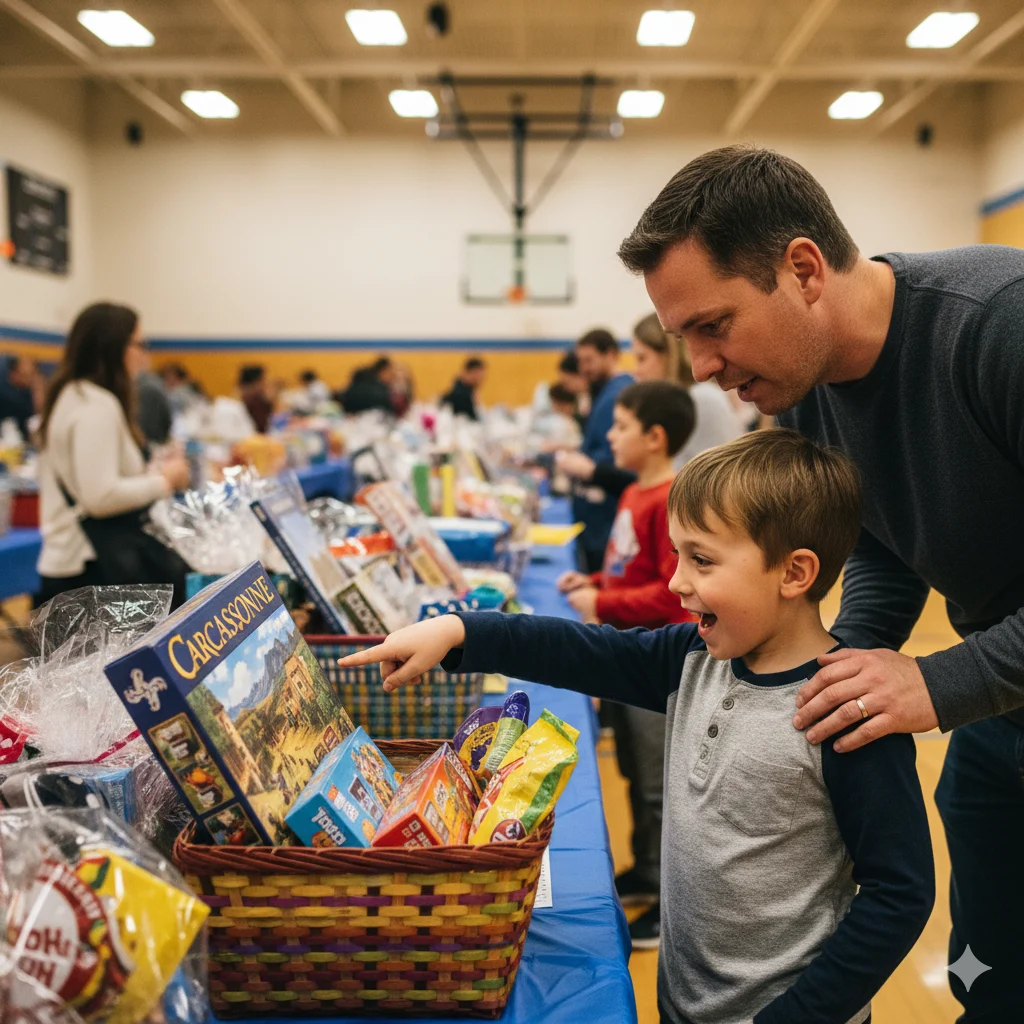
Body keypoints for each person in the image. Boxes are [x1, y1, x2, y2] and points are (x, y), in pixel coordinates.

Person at [618, 143, 1024, 1020]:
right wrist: (854, 661)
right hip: (1004, 718)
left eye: (713, 325)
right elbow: (878, 533)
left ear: (802, 268)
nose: (701, 370)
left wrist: (937, 678)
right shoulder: (803, 386)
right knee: (990, 984)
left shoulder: (1000, 324)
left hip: (985, 681)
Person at [341, 429, 934, 1024]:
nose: (676, 581)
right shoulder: (694, 659)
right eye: (678, 555)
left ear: (794, 573)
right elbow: (584, 650)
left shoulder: (848, 713)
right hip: (685, 1006)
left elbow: (898, 894)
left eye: (701, 559)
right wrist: (463, 633)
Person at [557, 380, 696, 947]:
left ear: (655, 437)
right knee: (634, 772)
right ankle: (645, 867)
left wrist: (602, 604)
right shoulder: (636, 491)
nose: (608, 437)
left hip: (656, 660)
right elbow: (626, 569)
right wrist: (592, 582)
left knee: (661, 782)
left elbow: (671, 593)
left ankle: (672, 903)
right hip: (626, 651)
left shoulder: (668, 497)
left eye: (619, 427)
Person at [36, 302, 191, 605]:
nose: (144, 354)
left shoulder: (73, 396)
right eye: (139, 344)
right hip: (90, 569)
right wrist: (165, 480)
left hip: (77, 565)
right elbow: (100, 497)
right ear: (114, 347)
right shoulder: (95, 405)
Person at [558, 329, 634, 572]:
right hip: (594, 517)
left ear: (611, 354)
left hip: (605, 515)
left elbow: (618, 462)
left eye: (589, 360)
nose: (584, 368)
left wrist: (585, 467)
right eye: (580, 361)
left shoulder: (619, 394)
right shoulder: (604, 392)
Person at [631, 312, 741, 466]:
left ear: (668, 355)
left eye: (642, 358)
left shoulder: (703, 399)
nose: (636, 370)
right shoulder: (671, 404)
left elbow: (721, 472)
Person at [0, 357, 38, 441]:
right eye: (26, 375)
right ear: (14, 373)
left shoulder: (25, 391)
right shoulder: (4, 392)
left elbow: (35, 415)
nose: (30, 379)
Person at [441, 357, 486, 421]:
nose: (480, 379)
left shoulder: (469, 391)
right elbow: (476, 419)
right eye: (478, 375)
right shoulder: (461, 394)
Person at [238, 364, 274, 433]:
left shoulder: (247, 395)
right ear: (256, 381)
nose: (266, 382)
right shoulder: (253, 399)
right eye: (264, 379)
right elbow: (262, 426)